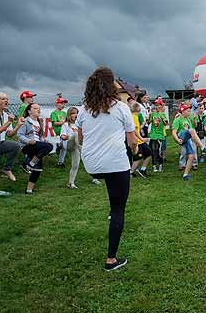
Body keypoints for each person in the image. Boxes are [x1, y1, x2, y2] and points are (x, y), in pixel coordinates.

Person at [76, 66, 138, 271]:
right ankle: (111, 260)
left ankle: (113, 211)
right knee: (119, 208)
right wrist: (135, 149)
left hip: (91, 165)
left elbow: (81, 138)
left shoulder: (84, 109)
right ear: (111, 84)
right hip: (114, 164)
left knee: (113, 194)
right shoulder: (121, 108)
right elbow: (131, 141)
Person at [18, 103, 54, 194]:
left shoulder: (39, 122)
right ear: (29, 111)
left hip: (37, 145)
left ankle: (29, 190)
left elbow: (40, 136)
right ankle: (29, 164)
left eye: (39, 108)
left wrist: (43, 140)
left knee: (38, 168)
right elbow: (20, 135)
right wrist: (28, 141)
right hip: (27, 146)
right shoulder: (25, 121)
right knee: (50, 147)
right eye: (35, 108)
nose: (38, 110)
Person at [171, 103, 206, 181]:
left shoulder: (188, 119)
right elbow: (173, 132)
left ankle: (185, 174)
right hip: (181, 136)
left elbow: (192, 133)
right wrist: (177, 139)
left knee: (191, 155)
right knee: (191, 130)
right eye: (188, 111)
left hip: (187, 139)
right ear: (183, 112)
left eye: (190, 111)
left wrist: (195, 141)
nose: (190, 112)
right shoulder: (178, 119)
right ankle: (202, 147)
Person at [60, 106, 81, 189]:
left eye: (77, 113)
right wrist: (70, 136)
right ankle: (83, 152)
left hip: (76, 146)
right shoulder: (65, 125)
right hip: (68, 144)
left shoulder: (79, 125)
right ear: (69, 115)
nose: (75, 115)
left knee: (75, 165)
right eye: (73, 113)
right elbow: (63, 136)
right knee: (76, 134)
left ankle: (71, 183)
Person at [130, 102, 152, 178]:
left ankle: (143, 169)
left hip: (140, 141)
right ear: (138, 109)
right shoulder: (134, 117)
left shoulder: (135, 117)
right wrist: (141, 138)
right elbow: (134, 130)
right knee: (138, 157)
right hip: (137, 141)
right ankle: (131, 172)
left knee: (149, 153)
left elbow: (138, 129)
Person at [148, 98, 168, 172]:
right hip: (153, 135)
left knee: (159, 151)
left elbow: (166, 124)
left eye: (158, 105)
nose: (156, 107)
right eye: (155, 105)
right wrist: (149, 116)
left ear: (161, 106)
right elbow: (148, 122)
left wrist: (163, 119)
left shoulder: (163, 114)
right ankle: (154, 166)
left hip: (160, 135)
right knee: (153, 150)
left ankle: (160, 165)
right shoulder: (153, 113)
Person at [51, 96, 68, 167]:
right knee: (62, 146)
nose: (63, 105)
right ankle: (58, 145)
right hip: (58, 132)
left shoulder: (64, 113)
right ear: (57, 104)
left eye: (64, 104)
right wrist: (63, 123)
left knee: (64, 147)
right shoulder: (54, 113)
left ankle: (60, 162)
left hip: (64, 132)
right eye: (61, 103)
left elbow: (67, 121)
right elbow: (54, 123)